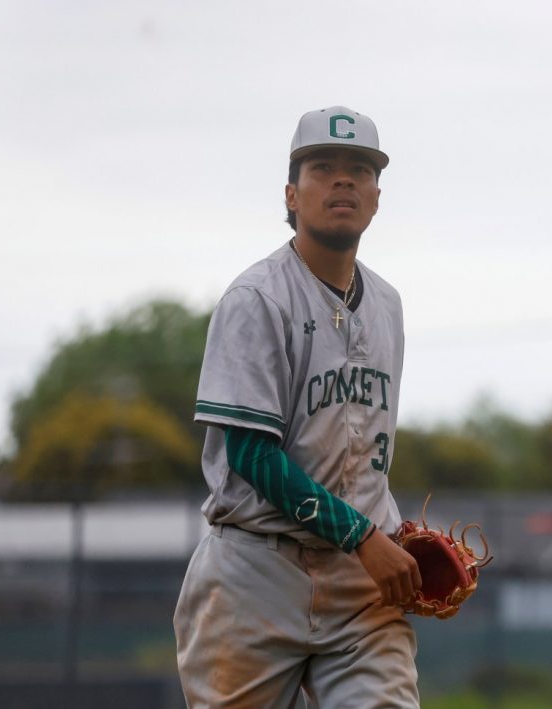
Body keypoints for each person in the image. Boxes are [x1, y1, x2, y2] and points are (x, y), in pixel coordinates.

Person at [174, 106, 422, 708]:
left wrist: (385, 531)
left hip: (360, 588)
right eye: (323, 167)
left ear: (377, 196)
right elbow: (253, 456)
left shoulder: (386, 304)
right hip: (255, 576)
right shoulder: (255, 299)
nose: (343, 180)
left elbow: (359, 451)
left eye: (359, 169)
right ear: (292, 193)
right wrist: (363, 534)